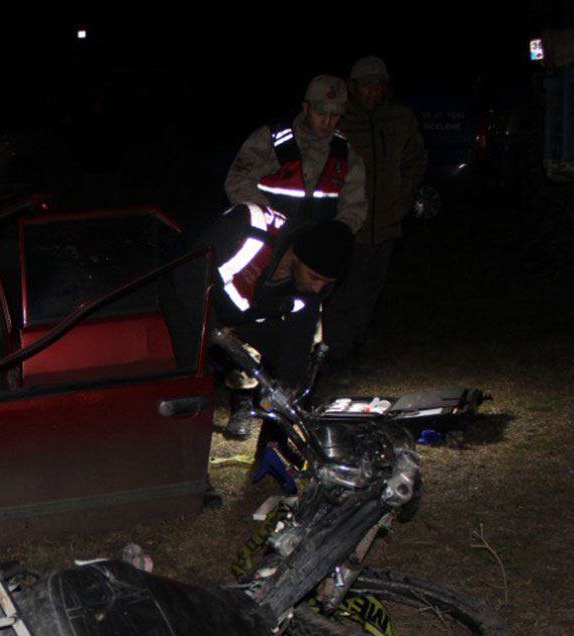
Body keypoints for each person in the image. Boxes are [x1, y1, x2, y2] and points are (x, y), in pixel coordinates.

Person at [181, 204, 353, 438]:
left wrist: (288, 391)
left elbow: (298, 339)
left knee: (291, 384)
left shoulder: (314, 285)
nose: (317, 288)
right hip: (192, 295)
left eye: (326, 282)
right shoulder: (251, 234)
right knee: (191, 383)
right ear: (296, 254)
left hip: (247, 312)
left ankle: (274, 445)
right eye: (314, 277)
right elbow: (188, 275)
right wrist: (211, 336)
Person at [321, 56, 428, 368]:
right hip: (348, 225)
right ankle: (334, 354)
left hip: (386, 224)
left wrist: (403, 199)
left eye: (378, 85)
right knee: (340, 292)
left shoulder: (400, 118)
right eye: (366, 85)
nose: (373, 91)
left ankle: (353, 348)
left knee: (369, 291)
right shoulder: (340, 120)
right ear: (353, 87)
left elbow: (416, 160)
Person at [225, 75, 367, 236]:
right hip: (268, 237)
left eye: (334, 115)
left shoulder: (345, 152)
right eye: (320, 113)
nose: (327, 121)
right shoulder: (271, 139)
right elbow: (236, 181)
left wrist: (336, 233)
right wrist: (270, 220)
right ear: (306, 108)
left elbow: (355, 205)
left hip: (315, 244)